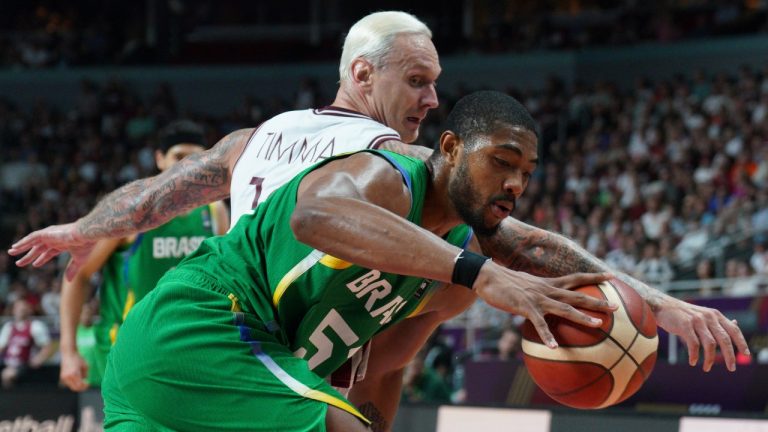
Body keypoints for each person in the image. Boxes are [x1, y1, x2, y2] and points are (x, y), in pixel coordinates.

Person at [8, 8, 748, 409]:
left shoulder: (256, 139)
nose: (430, 99)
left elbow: (151, 199)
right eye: (418, 81)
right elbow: (508, 243)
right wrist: (653, 301)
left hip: (258, 344)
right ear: (363, 74)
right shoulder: (395, 164)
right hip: (228, 323)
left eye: (435, 84)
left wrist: (85, 226)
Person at [100, 91, 615, 431]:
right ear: (452, 149)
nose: (514, 184)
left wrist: (659, 308)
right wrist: (477, 271)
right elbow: (314, 216)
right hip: (203, 323)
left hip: (178, 378)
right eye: (501, 162)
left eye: (526, 173)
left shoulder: (448, 285)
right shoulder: (387, 177)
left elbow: (384, 373)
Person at [58, 120, 229, 392]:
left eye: (196, 157)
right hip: (128, 346)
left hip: (189, 348)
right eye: (179, 157)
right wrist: (68, 351)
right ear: (160, 159)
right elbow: (77, 273)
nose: (188, 166)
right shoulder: (130, 210)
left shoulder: (214, 211)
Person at [0, 299, 55, 388]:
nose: (21, 310)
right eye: (18, 308)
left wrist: (38, 360)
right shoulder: (8, 327)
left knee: (9, 376)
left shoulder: (35, 326)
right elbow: (1, 347)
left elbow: (47, 347)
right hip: (9, 365)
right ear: (13, 310)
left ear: (29, 310)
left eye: (23, 308)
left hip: (26, 367)